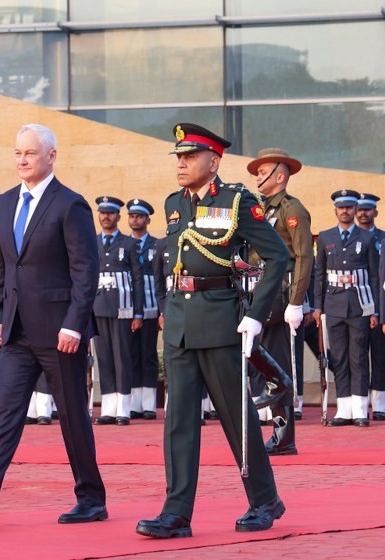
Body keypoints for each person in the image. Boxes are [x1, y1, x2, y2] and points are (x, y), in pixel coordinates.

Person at [0, 123, 106, 526]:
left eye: (30, 153)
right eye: (17, 152)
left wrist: (74, 325)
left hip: (59, 333)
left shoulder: (70, 205)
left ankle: (91, 498)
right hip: (16, 332)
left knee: (72, 417)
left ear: (51, 155)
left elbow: (86, 271)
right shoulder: (4, 202)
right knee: (6, 414)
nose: (21, 160)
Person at [136, 123, 288, 538]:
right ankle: (176, 513)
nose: (181, 163)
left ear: (214, 162)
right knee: (179, 422)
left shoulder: (237, 201)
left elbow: (278, 258)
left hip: (222, 321)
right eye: (178, 157)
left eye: (189, 157)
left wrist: (256, 316)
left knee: (237, 419)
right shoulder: (173, 204)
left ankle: (265, 500)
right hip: (181, 324)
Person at [247, 148, 312, 454]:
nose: (258, 177)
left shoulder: (291, 208)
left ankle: (283, 436)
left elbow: (304, 257)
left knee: (279, 365)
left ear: (280, 176)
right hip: (262, 291)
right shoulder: (263, 210)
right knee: (267, 364)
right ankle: (279, 433)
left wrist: (296, 302)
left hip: (281, 295)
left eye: (263, 172)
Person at [314, 190, 379, 427]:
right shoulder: (324, 237)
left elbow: (374, 276)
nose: (345, 211)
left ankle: (360, 410)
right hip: (332, 305)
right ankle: (343, 410)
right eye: (341, 207)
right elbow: (319, 275)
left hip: (360, 305)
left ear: (354, 209)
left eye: (349, 207)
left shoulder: (367, 238)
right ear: (335, 210)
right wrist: (317, 307)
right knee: (339, 358)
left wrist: (375, 311)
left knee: (359, 358)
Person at [92, 195, 143, 425]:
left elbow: (138, 279)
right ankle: (108, 408)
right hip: (99, 307)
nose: (106, 217)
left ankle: (123, 408)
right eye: (103, 213)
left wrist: (138, 313)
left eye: (110, 213)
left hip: (123, 307)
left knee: (122, 357)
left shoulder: (129, 244)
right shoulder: (91, 242)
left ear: (118, 216)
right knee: (104, 358)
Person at [127, 198, 161, 420]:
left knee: (148, 354)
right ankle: (133, 403)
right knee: (129, 356)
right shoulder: (122, 244)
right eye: (132, 216)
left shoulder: (157, 245)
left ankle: (148, 404)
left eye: (139, 216)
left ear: (148, 220)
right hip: (127, 308)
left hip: (150, 307)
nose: (135, 219)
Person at [357, 194, 385, 421]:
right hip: (353, 306)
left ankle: (379, 404)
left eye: (367, 210)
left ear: (375, 212)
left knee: (379, 354)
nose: (362, 213)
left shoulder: (383, 239)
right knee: (355, 357)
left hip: (379, 304)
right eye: (359, 209)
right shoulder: (346, 238)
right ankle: (357, 404)